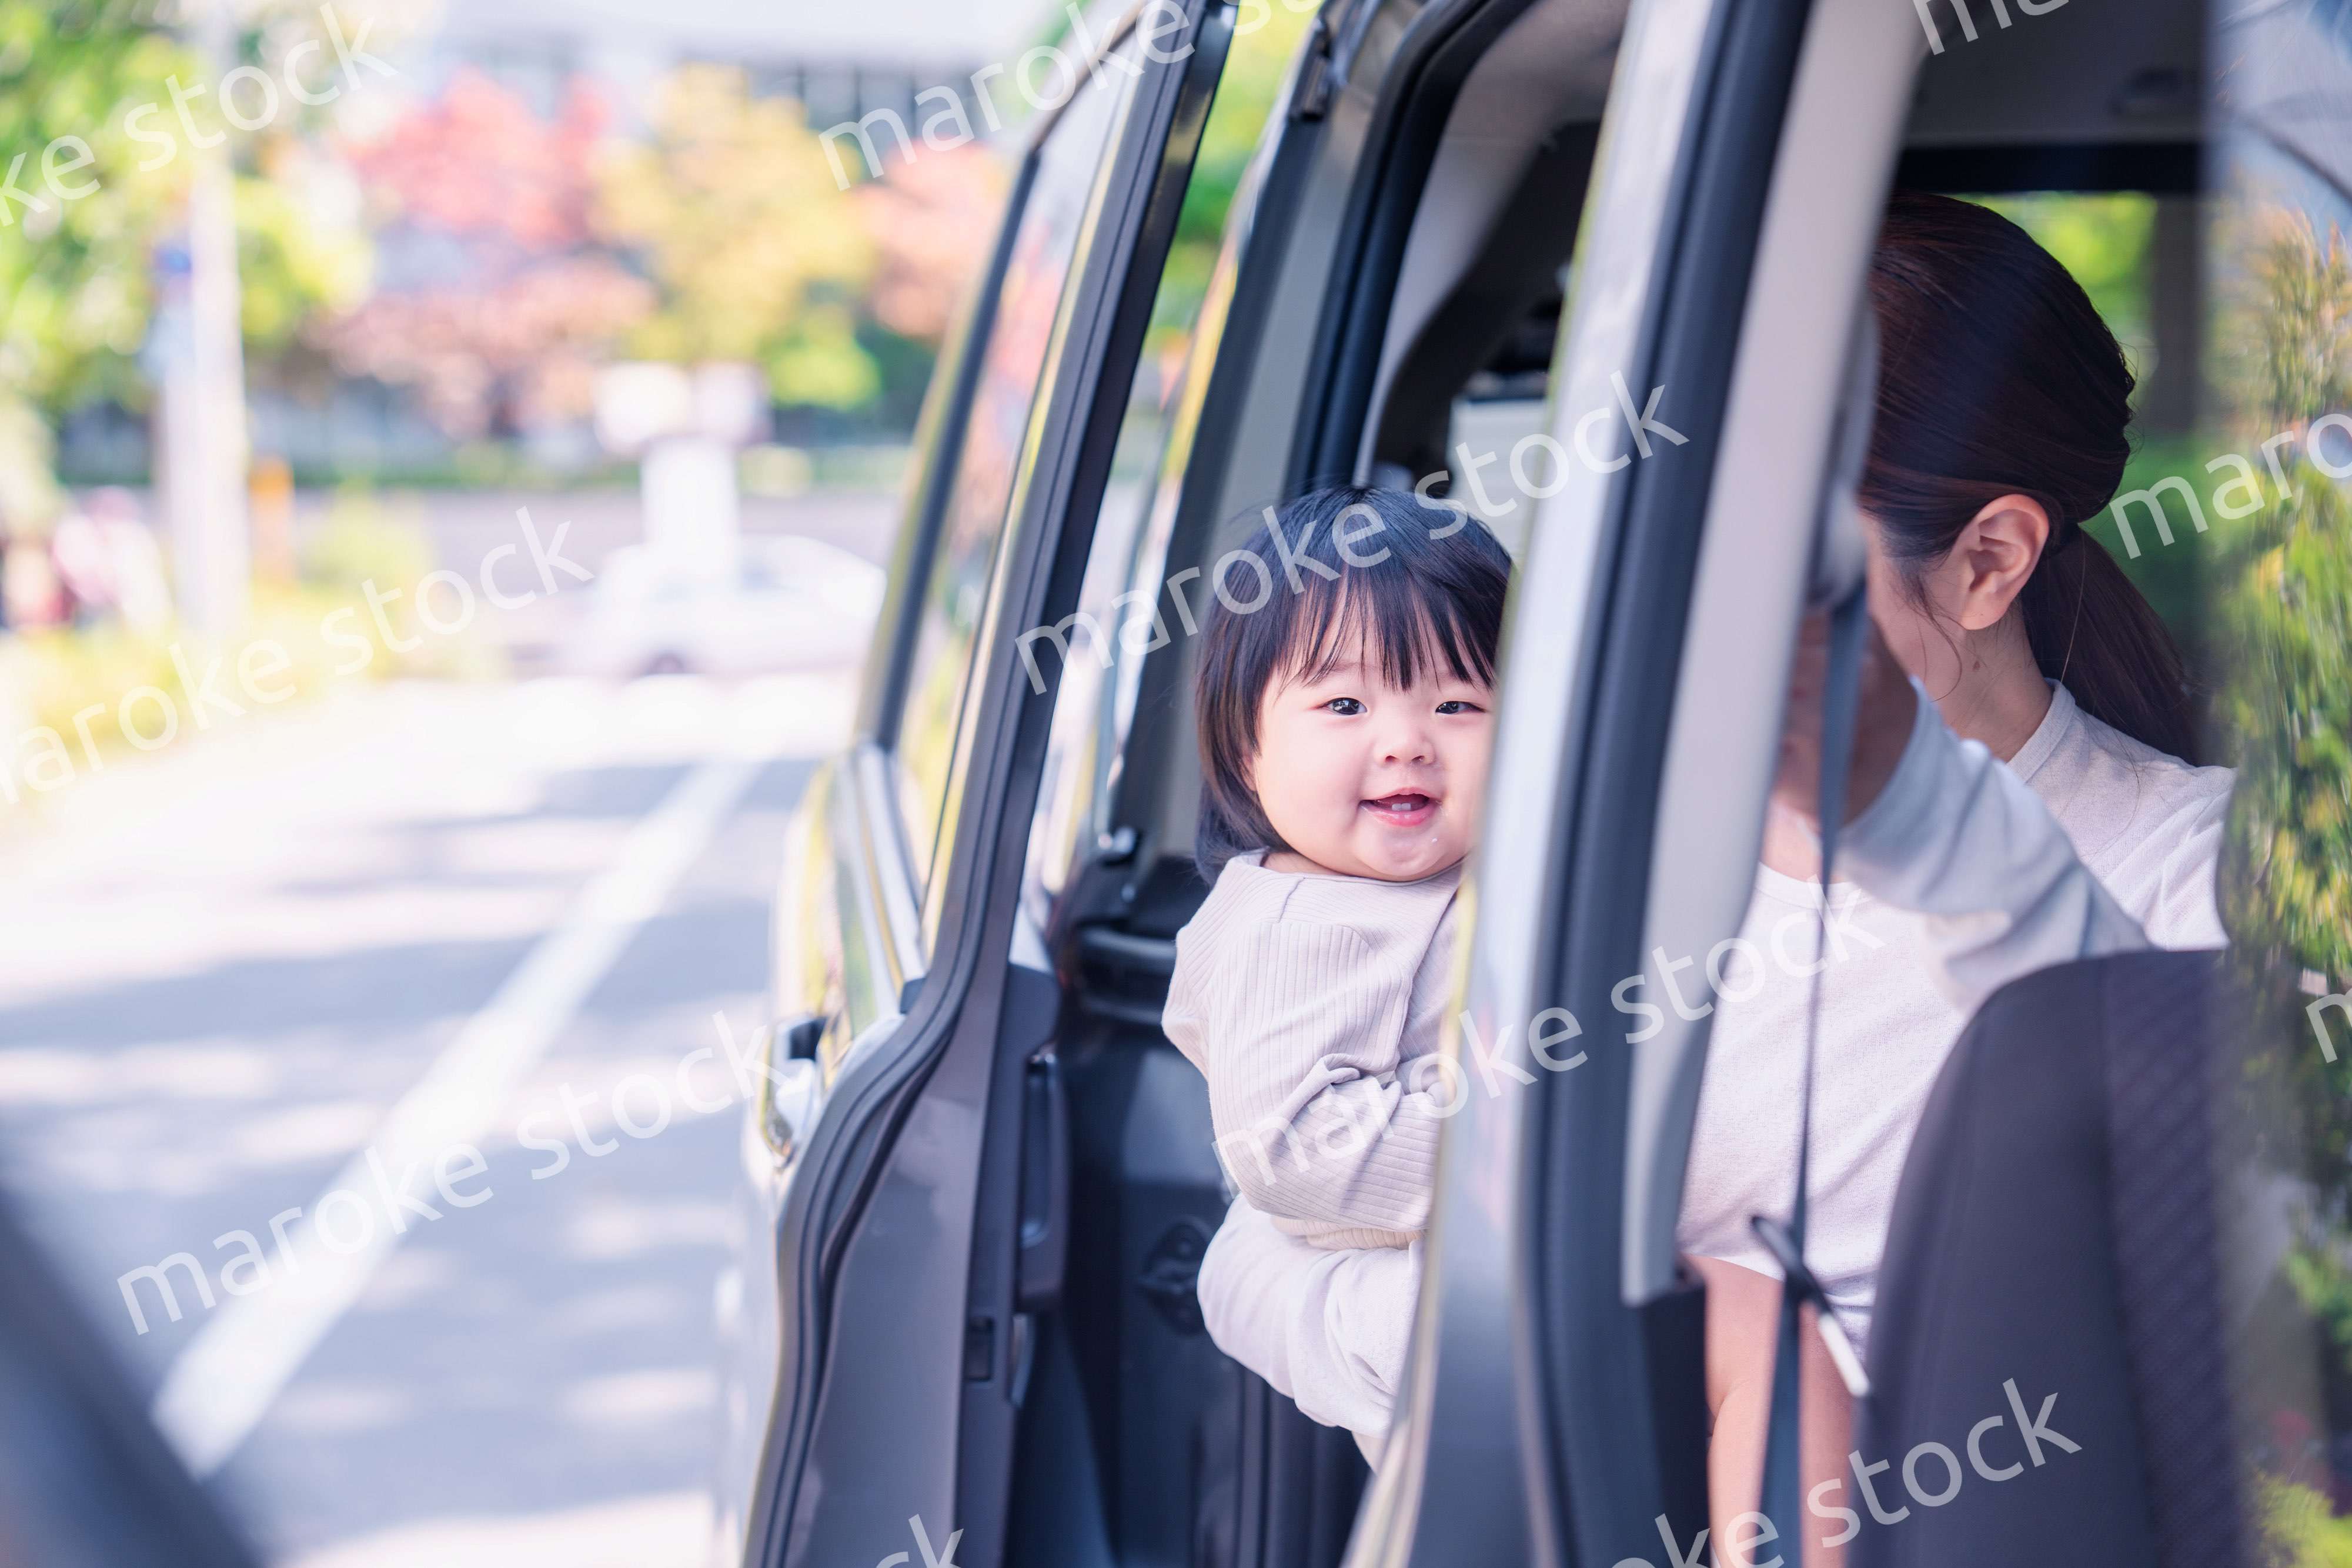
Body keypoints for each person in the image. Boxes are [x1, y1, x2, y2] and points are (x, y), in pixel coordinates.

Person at [1194, 191, 2236, 1562]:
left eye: (1757, 557)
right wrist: (1569, 1336)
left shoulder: (2195, 866)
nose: (1687, 606)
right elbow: (1259, 1236)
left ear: (1986, 562)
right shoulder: (1584, 836)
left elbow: (2165, 1241)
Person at [1160, 486, 1508, 1456]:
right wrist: (1525, 1147)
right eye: (1345, 703)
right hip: (1421, 1313)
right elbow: (1297, 1148)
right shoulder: (1296, 920)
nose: (1404, 739)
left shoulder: (1462, 879)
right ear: (1245, 745)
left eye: (1458, 702)